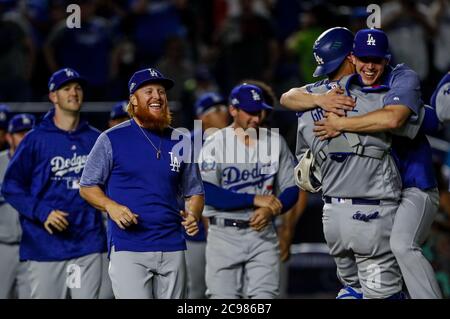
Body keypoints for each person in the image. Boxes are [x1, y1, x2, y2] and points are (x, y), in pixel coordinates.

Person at [282, 28, 442, 299]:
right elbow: (288, 97)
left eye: (375, 60)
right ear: (353, 58)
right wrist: (323, 101)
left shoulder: (399, 79)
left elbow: (287, 98)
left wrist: (335, 119)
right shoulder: (360, 99)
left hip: (378, 197)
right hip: (370, 208)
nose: (368, 66)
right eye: (362, 59)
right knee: (375, 290)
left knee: (386, 262)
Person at [79, 67, 205, 299]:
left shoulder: (181, 140)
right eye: (148, 91)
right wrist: (111, 206)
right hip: (129, 246)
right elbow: (87, 186)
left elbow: (194, 191)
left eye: (161, 92)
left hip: (173, 244)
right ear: (133, 101)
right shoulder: (111, 139)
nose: (157, 96)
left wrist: (193, 215)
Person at [1, 68, 107, 299]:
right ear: (53, 96)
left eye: (78, 88)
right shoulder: (35, 139)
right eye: (66, 88)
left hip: (86, 245)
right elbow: (11, 186)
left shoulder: (96, 139)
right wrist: (43, 212)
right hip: (45, 248)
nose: (74, 93)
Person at [198, 83, 299, 299]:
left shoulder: (275, 142)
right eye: (251, 112)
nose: (257, 118)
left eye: (260, 111)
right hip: (224, 234)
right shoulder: (215, 143)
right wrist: (255, 200)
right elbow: (207, 191)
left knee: (265, 298)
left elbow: (292, 189)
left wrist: (272, 210)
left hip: (262, 235)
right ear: (233, 110)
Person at [184, 92, 229, 299]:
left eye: (225, 108)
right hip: (195, 235)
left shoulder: (237, 140)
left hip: (230, 232)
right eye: (217, 110)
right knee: (194, 292)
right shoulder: (186, 145)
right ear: (203, 117)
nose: (225, 113)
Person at [0, 114, 35, 299]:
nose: (25, 138)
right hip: (2, 246)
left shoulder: (41, 165)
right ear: (9, 137)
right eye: (21, 133)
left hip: (31, 246)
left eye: (30, 133)